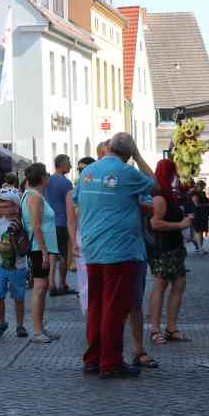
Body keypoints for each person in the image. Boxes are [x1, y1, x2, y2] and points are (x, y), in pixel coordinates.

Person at [76, 133, 158, 378]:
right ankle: (110, 362)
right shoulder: (127, 172)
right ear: (128, 153)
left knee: (96, 305)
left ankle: (92, 358)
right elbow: (156, 185)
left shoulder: (87, 172)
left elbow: (76, 200)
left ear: (109, 147)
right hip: (120, 249)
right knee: (114, 306)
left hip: (92, 246)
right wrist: (139, 157)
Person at [146, 158, 192, 354]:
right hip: (163, 247)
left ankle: (171, 327)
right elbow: (155, 224)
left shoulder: (169, 195)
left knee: (179, 283)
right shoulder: (159, 197)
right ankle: (155, 329)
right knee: (161, 284)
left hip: (173, 246)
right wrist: (181, 225)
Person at [22, 163, 60, 343]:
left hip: (41, 247)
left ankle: (40, 328)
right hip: (39, 248)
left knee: (42, 287)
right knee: (39, 288)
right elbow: (36, 225)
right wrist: (45, 252)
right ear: (43, 178)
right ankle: (37, 331)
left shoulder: (32, 195)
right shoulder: (35, 197)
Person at [0, 186, 30, 337]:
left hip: (19, 267)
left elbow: (27, 244)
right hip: (1, 266)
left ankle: (20, 325)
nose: (3, 208)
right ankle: (2, 321)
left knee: (19, 297)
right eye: (1, 206)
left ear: (15, 205)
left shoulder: (24, 222)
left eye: (6, 205)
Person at [67, 157, 96, 313]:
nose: (82, 171)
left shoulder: (99, 189)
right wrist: (73, 243)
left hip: (100, 238)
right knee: (85, 281)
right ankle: (89, 314)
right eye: (79, 169)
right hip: (82, 239)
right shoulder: (72, 193)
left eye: (85, 168)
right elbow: (71, 221)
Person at [46, 154, 75, 296]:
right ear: (62, 165)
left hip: (49, 223)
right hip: (62, 222)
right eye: (69, 163)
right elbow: (72, 204)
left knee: (52, 253)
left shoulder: (48, 180)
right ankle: (62, 283)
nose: (71, 166)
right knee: (63, 255)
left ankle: (51, 283)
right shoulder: (66, 183)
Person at [190, 182, 209, 255]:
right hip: (198, 215)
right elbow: (197, 204)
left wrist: (208, 202)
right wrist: (207, 204)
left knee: (200, 231)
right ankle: (200, 248)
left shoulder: (202, 193)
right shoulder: (194, 194)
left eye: (203, 186)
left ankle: (200, 248)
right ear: (198, 186)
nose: (203, 188)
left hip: (203, 215)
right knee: (198, 231)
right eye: (202, 186)